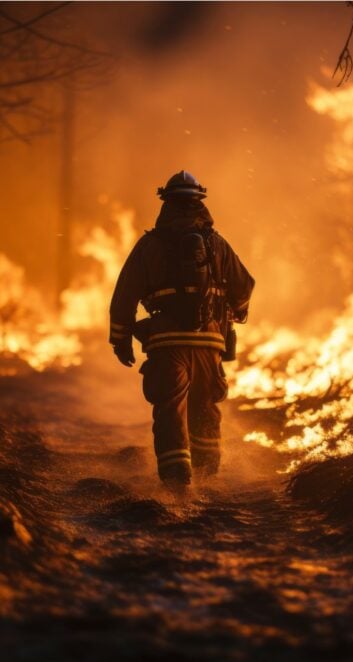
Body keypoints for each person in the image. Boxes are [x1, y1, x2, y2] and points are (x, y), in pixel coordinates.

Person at [109, 171, 255, 488]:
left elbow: (125, 295)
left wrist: (120, 339)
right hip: (210, 342)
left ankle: (177, 485)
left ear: (166, 204)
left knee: (170, 409)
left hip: (166, 343)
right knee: (205, 406)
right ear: (200, 204)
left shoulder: (149, 245)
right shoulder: (218, 244)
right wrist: (234, 311)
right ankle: (207, 476)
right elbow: (244, 286)